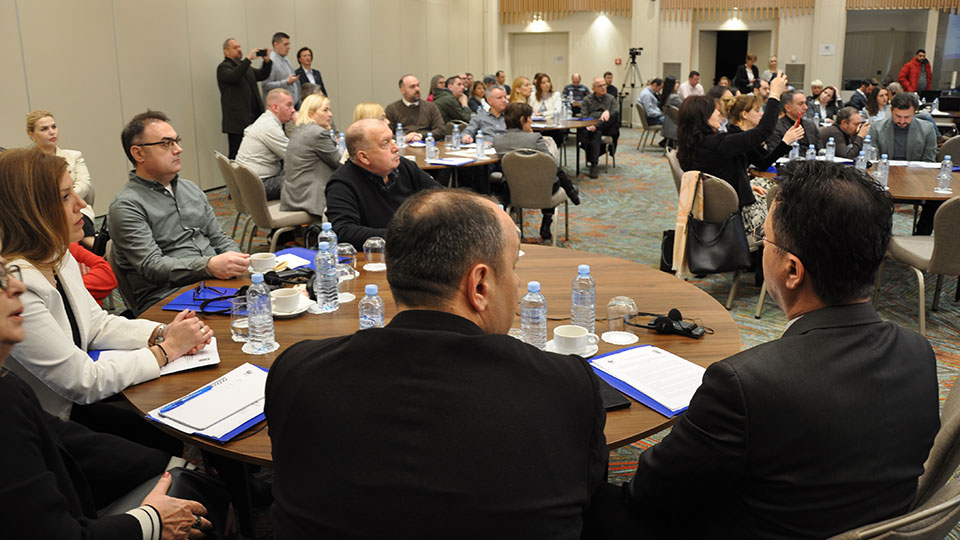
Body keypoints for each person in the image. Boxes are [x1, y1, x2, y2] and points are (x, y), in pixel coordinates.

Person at [612, 159, 939, 539]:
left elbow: (650, 493)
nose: (761, 246)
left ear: (792, 271)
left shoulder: (746, 384)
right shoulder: (919, 352)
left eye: (765, 238)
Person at [265, 188, 607, 539]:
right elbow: (590, 496)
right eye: (513, 268)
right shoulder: (564, 385)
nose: (518, 282)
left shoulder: (297, 372)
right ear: (479, 286)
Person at [1, 148, 212, 452]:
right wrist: (167, 350)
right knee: (162, 448)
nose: (82, 204)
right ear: (31, 211)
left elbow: (96, 324)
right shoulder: (16, 287)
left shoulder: (56, 256)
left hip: (75, 405)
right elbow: (82, 382)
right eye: (65, 197)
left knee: (172, 429)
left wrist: (161, 333)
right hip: (48, 427)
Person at [0, 255, 216, 540]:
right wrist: (150, 521)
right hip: (70, 408)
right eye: (1, 279)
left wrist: (162, 334)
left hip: (64, 419)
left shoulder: (9, 386)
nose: (16, 285)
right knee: (180, 473)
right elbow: (52, 530)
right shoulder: (6, 404)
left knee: (168, 452)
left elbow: (95, 323)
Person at [109, 110, 249, 315]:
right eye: (166, 143)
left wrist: (236, 260)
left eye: (177, 141)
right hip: (168, 298)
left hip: (215, 284)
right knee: (251, 323)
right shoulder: (127, 206)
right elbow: (152, 266)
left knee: (275, 302)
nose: (178, 149)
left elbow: (219, 238)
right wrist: (209, 266)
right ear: (138, 154)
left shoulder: (190, 189)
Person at [677, 73, 794, 238]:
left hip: (711, 210)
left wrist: (743, 185)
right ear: (704, 118)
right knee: (786, 208)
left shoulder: (690, 146)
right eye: (714, 111)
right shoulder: (719, 144)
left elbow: (718, 175)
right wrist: (774, 94)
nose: (718, 114)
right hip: (738, 218)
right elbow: (764, 131)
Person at [324, 119, 441, 250]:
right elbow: (344, 231)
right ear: (364, 157)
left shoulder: (404, 166)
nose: (395, 147)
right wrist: (405, 235)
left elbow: (440, 195)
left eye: (393, 140)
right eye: (385, 143)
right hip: (377, 256)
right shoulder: (342, 183)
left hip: (418, 249)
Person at [493, 102, 580, 242]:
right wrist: (531, 136)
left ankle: (572, 193)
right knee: (554, 175)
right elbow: (550, 164)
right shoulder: (535, 138)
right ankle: (550, 217)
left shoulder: (497, 140)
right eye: (530, 118)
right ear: (522, 120)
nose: (531, 122)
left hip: (513, 190)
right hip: (542, 191)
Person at [725, 93, 802, 236]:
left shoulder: (744, 134)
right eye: (757, 110)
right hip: (739, 202)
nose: (761, 114)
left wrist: (786, 142)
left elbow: (763, 161)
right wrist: (785, 142)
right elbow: (764, 162)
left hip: (743, 188)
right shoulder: (736, 137)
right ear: (744, 115)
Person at [868, 92, 939, 235]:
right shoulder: (876, 127)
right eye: (898, 116)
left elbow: (929, 162)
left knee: (937, 200)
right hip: (884, 178)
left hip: (916, 178)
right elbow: (873, 160)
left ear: (915, 112)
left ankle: (921, 235)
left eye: (907, 117)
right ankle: (877, 235)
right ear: (891, 110)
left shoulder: (927, 129)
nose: (902, 121)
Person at [26, 110, 96, 250]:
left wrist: (63, 197)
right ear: (32, 134)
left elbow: (84, 185)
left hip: (76, 210)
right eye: (44, 129)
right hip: (45, 214)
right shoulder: (27, 163)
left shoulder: (74, 156)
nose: (52, 132)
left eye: (54, 127)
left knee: (75, 219)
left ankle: (95, 249)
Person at [282, 94, 340, 218]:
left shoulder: (299, 130)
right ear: (311, 114)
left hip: (294, 196)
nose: (330, 114)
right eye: (325, 110)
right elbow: (339, 162)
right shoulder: (318, 133)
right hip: (311, 199)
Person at [235, 88, 297, 201]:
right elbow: (296, 155)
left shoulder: (267, 120)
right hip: (257, 185)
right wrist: (302, 125)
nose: (293, 110)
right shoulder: (269, 126)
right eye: (289, 105)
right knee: (308, 178)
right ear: (275, 107)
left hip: (250, 181)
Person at [217, 37, 272, 160]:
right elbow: (234, 76)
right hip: (237, 122)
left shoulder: (244, 66)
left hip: (252, 119)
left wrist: (267, 62)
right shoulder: (223, 68)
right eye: (235, 47)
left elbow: (262, 75)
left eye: (239, 47)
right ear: (226, 52)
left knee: (252, 153)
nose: (239, 49)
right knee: (236, 154)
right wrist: (248, 60)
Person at [384, 74, 446, 142]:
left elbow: (441, 130)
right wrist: (404, 138)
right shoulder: (392, 108)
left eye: (418, 85)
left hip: (426, 144)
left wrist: (420, 135)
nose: (417, 89)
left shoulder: (430, 107)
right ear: (402, 90)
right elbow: (386, 133)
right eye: (412, 87)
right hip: (402, 144)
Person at [580, 76, 620, 179]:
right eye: (600, 86)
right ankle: (594, 164)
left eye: (604, 85)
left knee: (613, 115)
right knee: (595, 133)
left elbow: (615, 113)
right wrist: (593, 122)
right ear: (593, 88)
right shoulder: (587, 99)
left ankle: (594, 164)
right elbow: (584, 116)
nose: (603, 87)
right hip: (591, 127)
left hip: (607, 127)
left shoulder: (611, 98)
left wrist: (607, 112)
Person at [262, 31, 300, 107]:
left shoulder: (286, 60)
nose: (289, 47)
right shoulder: (270, 61)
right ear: (276, 45)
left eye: (289, 44)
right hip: (278, 107)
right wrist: (286, 82)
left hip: (292, 106)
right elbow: (266, 85)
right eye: (285, 44)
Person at [660, 76, 683, 146]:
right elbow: (684, 106)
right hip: (675, 123)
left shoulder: (666, 95)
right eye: (675, 83)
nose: (677, 84)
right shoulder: (674, 97)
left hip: (669, 123)